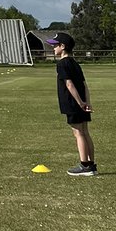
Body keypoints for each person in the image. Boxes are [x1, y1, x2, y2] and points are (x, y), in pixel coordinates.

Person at [48, 32, 96, 176]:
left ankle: (84, 165)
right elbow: (84, 85)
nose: (53, 48)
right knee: (85, 132)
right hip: (81, 103)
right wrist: (87, 102)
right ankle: (91, 165)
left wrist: (80, 103)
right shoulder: (75, 63)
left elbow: (69, 84)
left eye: (55, 46)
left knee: (78, 133)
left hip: (73, 103)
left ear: (63, 47)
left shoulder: (62, 64)